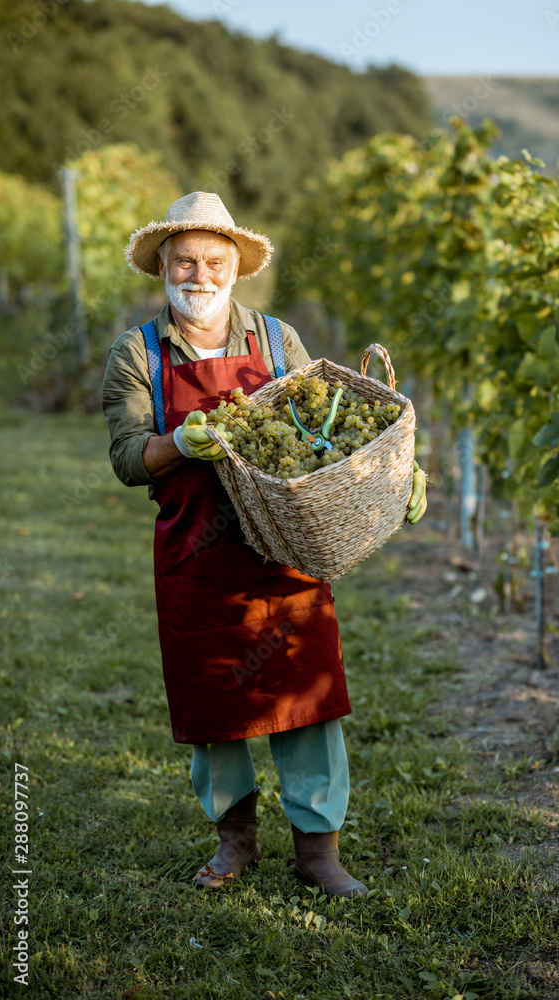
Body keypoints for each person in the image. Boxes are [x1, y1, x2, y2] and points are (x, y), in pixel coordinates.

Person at [102, 191, 427, 899]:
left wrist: (395, 467)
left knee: (307, 695)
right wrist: (177, 444)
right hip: (196, 550)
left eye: (213, 261)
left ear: (235, 268)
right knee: (213, 700)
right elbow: (127, 457)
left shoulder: (278, 342)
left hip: (285, 544)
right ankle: (233, 840)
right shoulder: (138, 353)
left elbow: (333, 429)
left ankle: (318, 851)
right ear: (161, 264)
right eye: (183, 259)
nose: (198, 273)